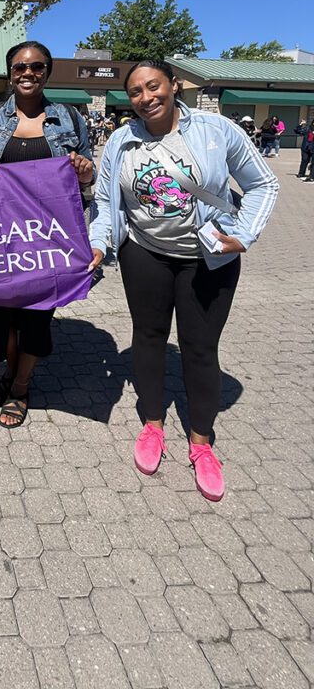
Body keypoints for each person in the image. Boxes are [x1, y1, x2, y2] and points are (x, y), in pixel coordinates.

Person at [88, 60, 278, 501]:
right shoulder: (121, 140)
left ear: (173, 85)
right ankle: (153, 425)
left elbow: (264, 184)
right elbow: (106, 201)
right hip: (144, 253)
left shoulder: (217, 130)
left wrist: (243, 235)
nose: (146, 98)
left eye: (153, 86)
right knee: (148, 337)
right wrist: (99, 243)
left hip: (207, 259)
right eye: (135, 92)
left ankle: (201, 443)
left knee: (199, 348)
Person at [0, 40, 94, 427]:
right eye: (20, 67)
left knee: (35, 318)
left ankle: (20, 388)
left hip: (48, 240)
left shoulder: (69, 119)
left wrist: (84, 172)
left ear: (47, 72)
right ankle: (10, 370)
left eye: (37, 66)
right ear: (10, 73)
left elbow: (88, 178)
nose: (28, 73)